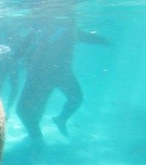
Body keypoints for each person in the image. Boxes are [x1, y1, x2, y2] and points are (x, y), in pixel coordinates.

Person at [14, 0, 109, 142]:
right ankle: (36, 135)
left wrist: (102, 40)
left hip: (59, 71)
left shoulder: (67, 28)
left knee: (75, 98)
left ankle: (58, 121)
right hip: (42, 72)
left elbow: (81, 36)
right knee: (25, 109)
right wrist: (18, 57)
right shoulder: (45, 28)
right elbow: (29, 42)